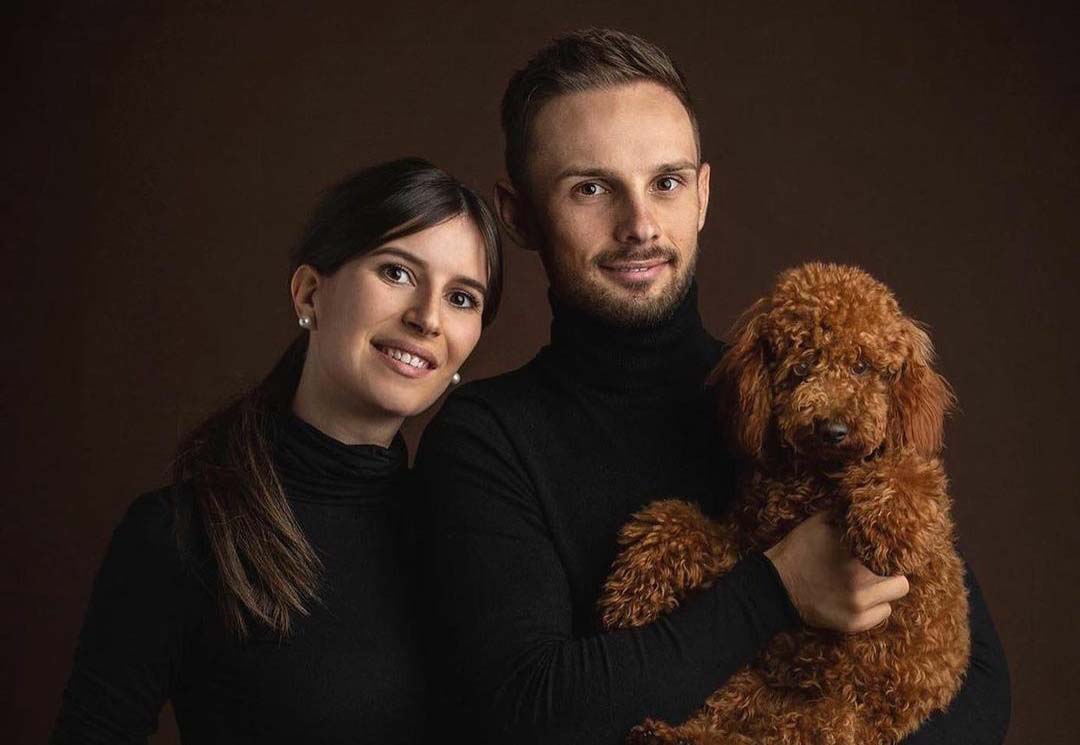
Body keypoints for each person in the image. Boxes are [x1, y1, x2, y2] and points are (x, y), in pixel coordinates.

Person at [415, 28, 1010, 744]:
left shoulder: (803, 407)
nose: (639, 225)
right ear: (519, 217)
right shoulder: (484, 440)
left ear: (701, 195)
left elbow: (980, 689)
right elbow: (532, 709)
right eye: (591, 189)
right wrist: (775, 589)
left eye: (665, 183)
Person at [51, 157, 503, 744]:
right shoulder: (181, 534)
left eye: (462, 298)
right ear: (310, 292)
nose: (428, 319)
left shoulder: (470, 529)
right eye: (397, 272)